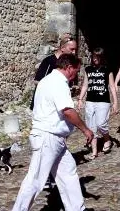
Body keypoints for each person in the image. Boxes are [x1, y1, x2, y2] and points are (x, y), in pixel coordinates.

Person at [12, 54, 94, 211]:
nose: (75, 76)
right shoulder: (58, 83)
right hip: (48, 136)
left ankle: (77, 208)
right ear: (69, 68)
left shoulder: (47, 80)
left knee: (68, 172)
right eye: (76, 72)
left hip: (55, 138)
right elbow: (68, 111)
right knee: (35, 180)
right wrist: (86, 129)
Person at [30, 33, 77, 189]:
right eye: (72, 49)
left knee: (59, 144)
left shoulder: (69, 64)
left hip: (60, 106)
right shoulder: (49, 61)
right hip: (47, 108)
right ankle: (45, 177)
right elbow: (38, 81)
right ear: (62, 48)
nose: (74, 52)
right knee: (47, 145)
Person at [77, 47, 118, 159]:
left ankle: (107, 138)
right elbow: (85, 85)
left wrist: (115, 102)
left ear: (101, 57)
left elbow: (112, 87)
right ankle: (94, 151)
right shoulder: (88, 69)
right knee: (91, 126)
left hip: (103, 101)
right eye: (94, 56)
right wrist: (80, 99)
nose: (95, 59)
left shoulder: (107, 70)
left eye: (97, 57)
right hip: (90, 101)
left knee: (101, 124)